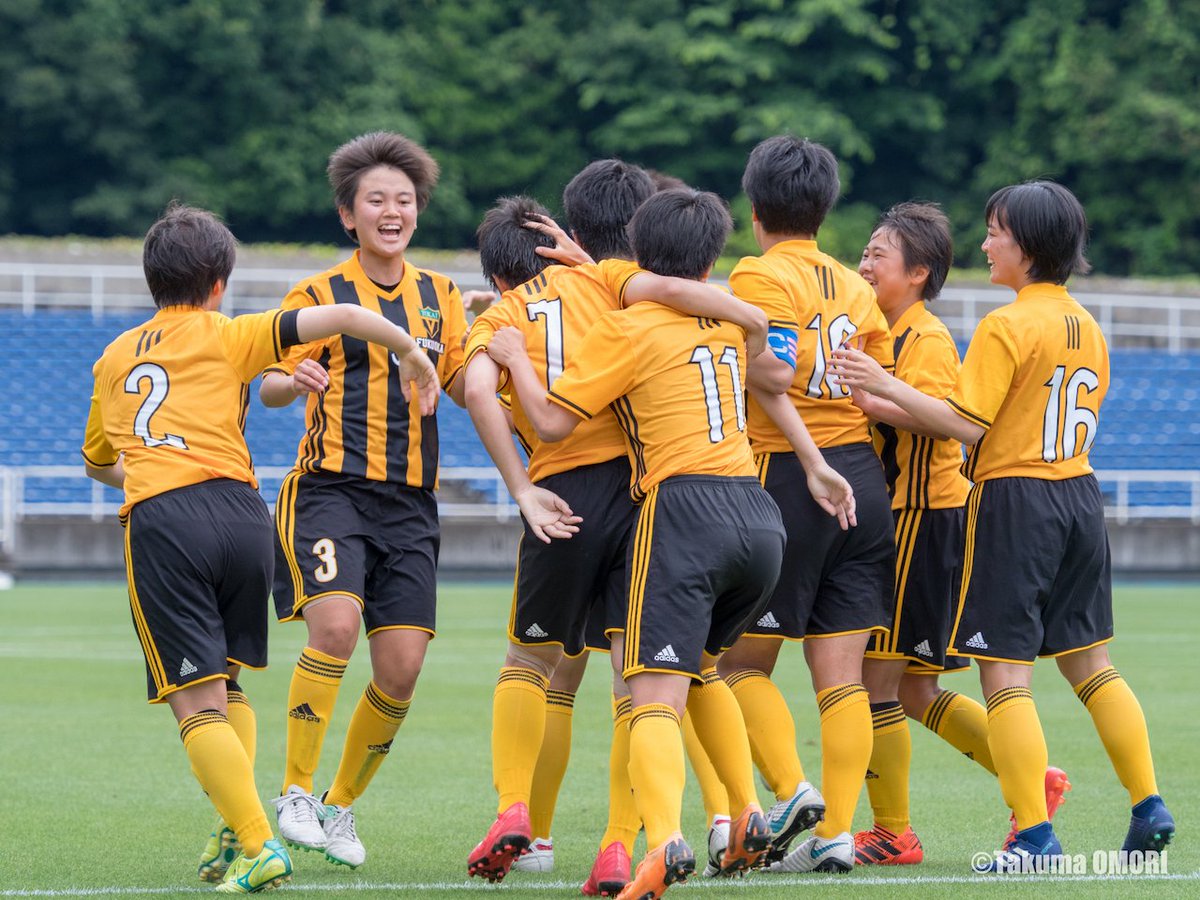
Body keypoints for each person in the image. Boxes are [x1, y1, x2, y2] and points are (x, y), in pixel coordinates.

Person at [81, 204, 438, 894]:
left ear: (152, 281)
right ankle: (234, 818)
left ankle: (256, 843)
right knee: (231, 682)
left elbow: (98, 463)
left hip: (166, 517)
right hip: (245, 516)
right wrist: (412, 350)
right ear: (220, 281)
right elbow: (344, 317)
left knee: (195, 700)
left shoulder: (113, 357)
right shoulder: (233, 332)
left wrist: (153, 471)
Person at [488, 187, 829, 899]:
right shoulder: (727, 321)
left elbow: (550, 422)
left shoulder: (630, 327)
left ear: (639, 251)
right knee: (707, 671)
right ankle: (747, 813)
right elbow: (773, 363)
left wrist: (518, 358)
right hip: (759, 515)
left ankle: (664, 837)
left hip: (683, 513)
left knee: (647, 691)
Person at [831, 180, 1174, 868]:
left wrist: (882, 385)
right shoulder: (1087, 324)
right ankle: (1148, 804)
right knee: (1093, 666)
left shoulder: (1007, 324)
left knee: (1004, 676)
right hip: (1079, 493)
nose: (985, 246)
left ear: (1029, 246)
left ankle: (1034, 837)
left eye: (996, 234)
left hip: (1017, 500)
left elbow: (963, 424)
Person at [260, 132, 468, 869]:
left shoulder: (443, 297)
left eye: (404, 200)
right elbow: (271, 382)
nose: (393, 210)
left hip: (411, 502)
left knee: (403, 667)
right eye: (376, 199)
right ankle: (294, 790)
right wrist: (297, 382)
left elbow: (469, 382)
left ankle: (339, 806)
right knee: (337, 627)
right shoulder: (317, 293)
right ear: (349, 215)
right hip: (330, 490)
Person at [851, 201, 1070, 865]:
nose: (864, 264)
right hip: (912, 520)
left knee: (872, 682)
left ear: (917, 274)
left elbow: (949, 420)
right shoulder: (880, 330)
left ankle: (893, 832)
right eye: (864, 251)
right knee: (915, 690)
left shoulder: (926, 339)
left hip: (922, 519)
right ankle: (1033, 782)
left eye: (877, 256)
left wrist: (873, 393)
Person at [715, 136, 896, 874]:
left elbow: (772, 372)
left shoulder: (758, 273)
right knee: (842, 675)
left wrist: (810, 460)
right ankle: (838, 836)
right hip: (863, 474)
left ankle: (792, 792)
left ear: (754, 210)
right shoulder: (853, 287)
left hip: (791, 473)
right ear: (824, 209)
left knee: (737, 666)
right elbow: (872, 380)